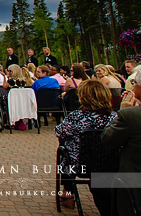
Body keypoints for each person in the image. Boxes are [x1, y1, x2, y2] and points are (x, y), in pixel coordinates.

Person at [54, 80, 117, 212]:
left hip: (80, 163)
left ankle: (68, 193)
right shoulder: (114, 117)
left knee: (65, 145)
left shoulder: (77, 117)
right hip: (109, 162)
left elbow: (58, 131)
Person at [101, 67, 141, 216]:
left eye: (134, 82)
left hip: (133, 183)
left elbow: (108, 139)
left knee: (100, 181)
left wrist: (122, 111)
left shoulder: (130, 115)